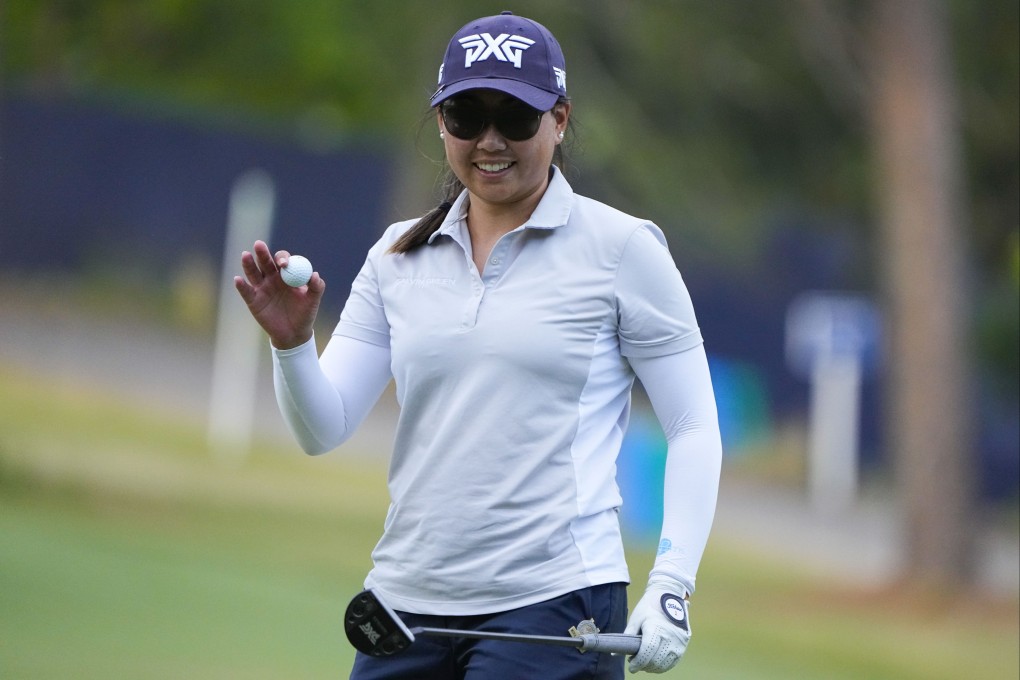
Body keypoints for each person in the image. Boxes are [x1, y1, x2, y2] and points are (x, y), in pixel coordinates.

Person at [235, 11, 721, 679]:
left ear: (559, 120)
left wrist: (673, 581)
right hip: (404, 604)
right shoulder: (396, 255)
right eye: (466, 116)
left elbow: (693, 424)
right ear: (441, 123)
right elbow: (323, 427)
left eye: (515, 118)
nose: (489, 140)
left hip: (554, 603)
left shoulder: (623, 249)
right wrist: (292, 346)